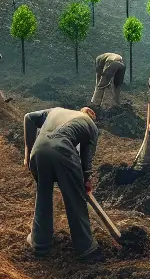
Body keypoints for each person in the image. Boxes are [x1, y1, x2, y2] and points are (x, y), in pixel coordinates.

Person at [24, 106, 100, 259]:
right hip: (62, 151)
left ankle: (40, 243)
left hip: (38, 152)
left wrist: (27, 151)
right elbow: (86, 157)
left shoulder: (56, 111)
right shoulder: (91, 126)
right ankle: (85, 248)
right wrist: (86, 180)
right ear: (92, 116)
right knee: (75, 198)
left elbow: (29, 117)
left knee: (43, 193)